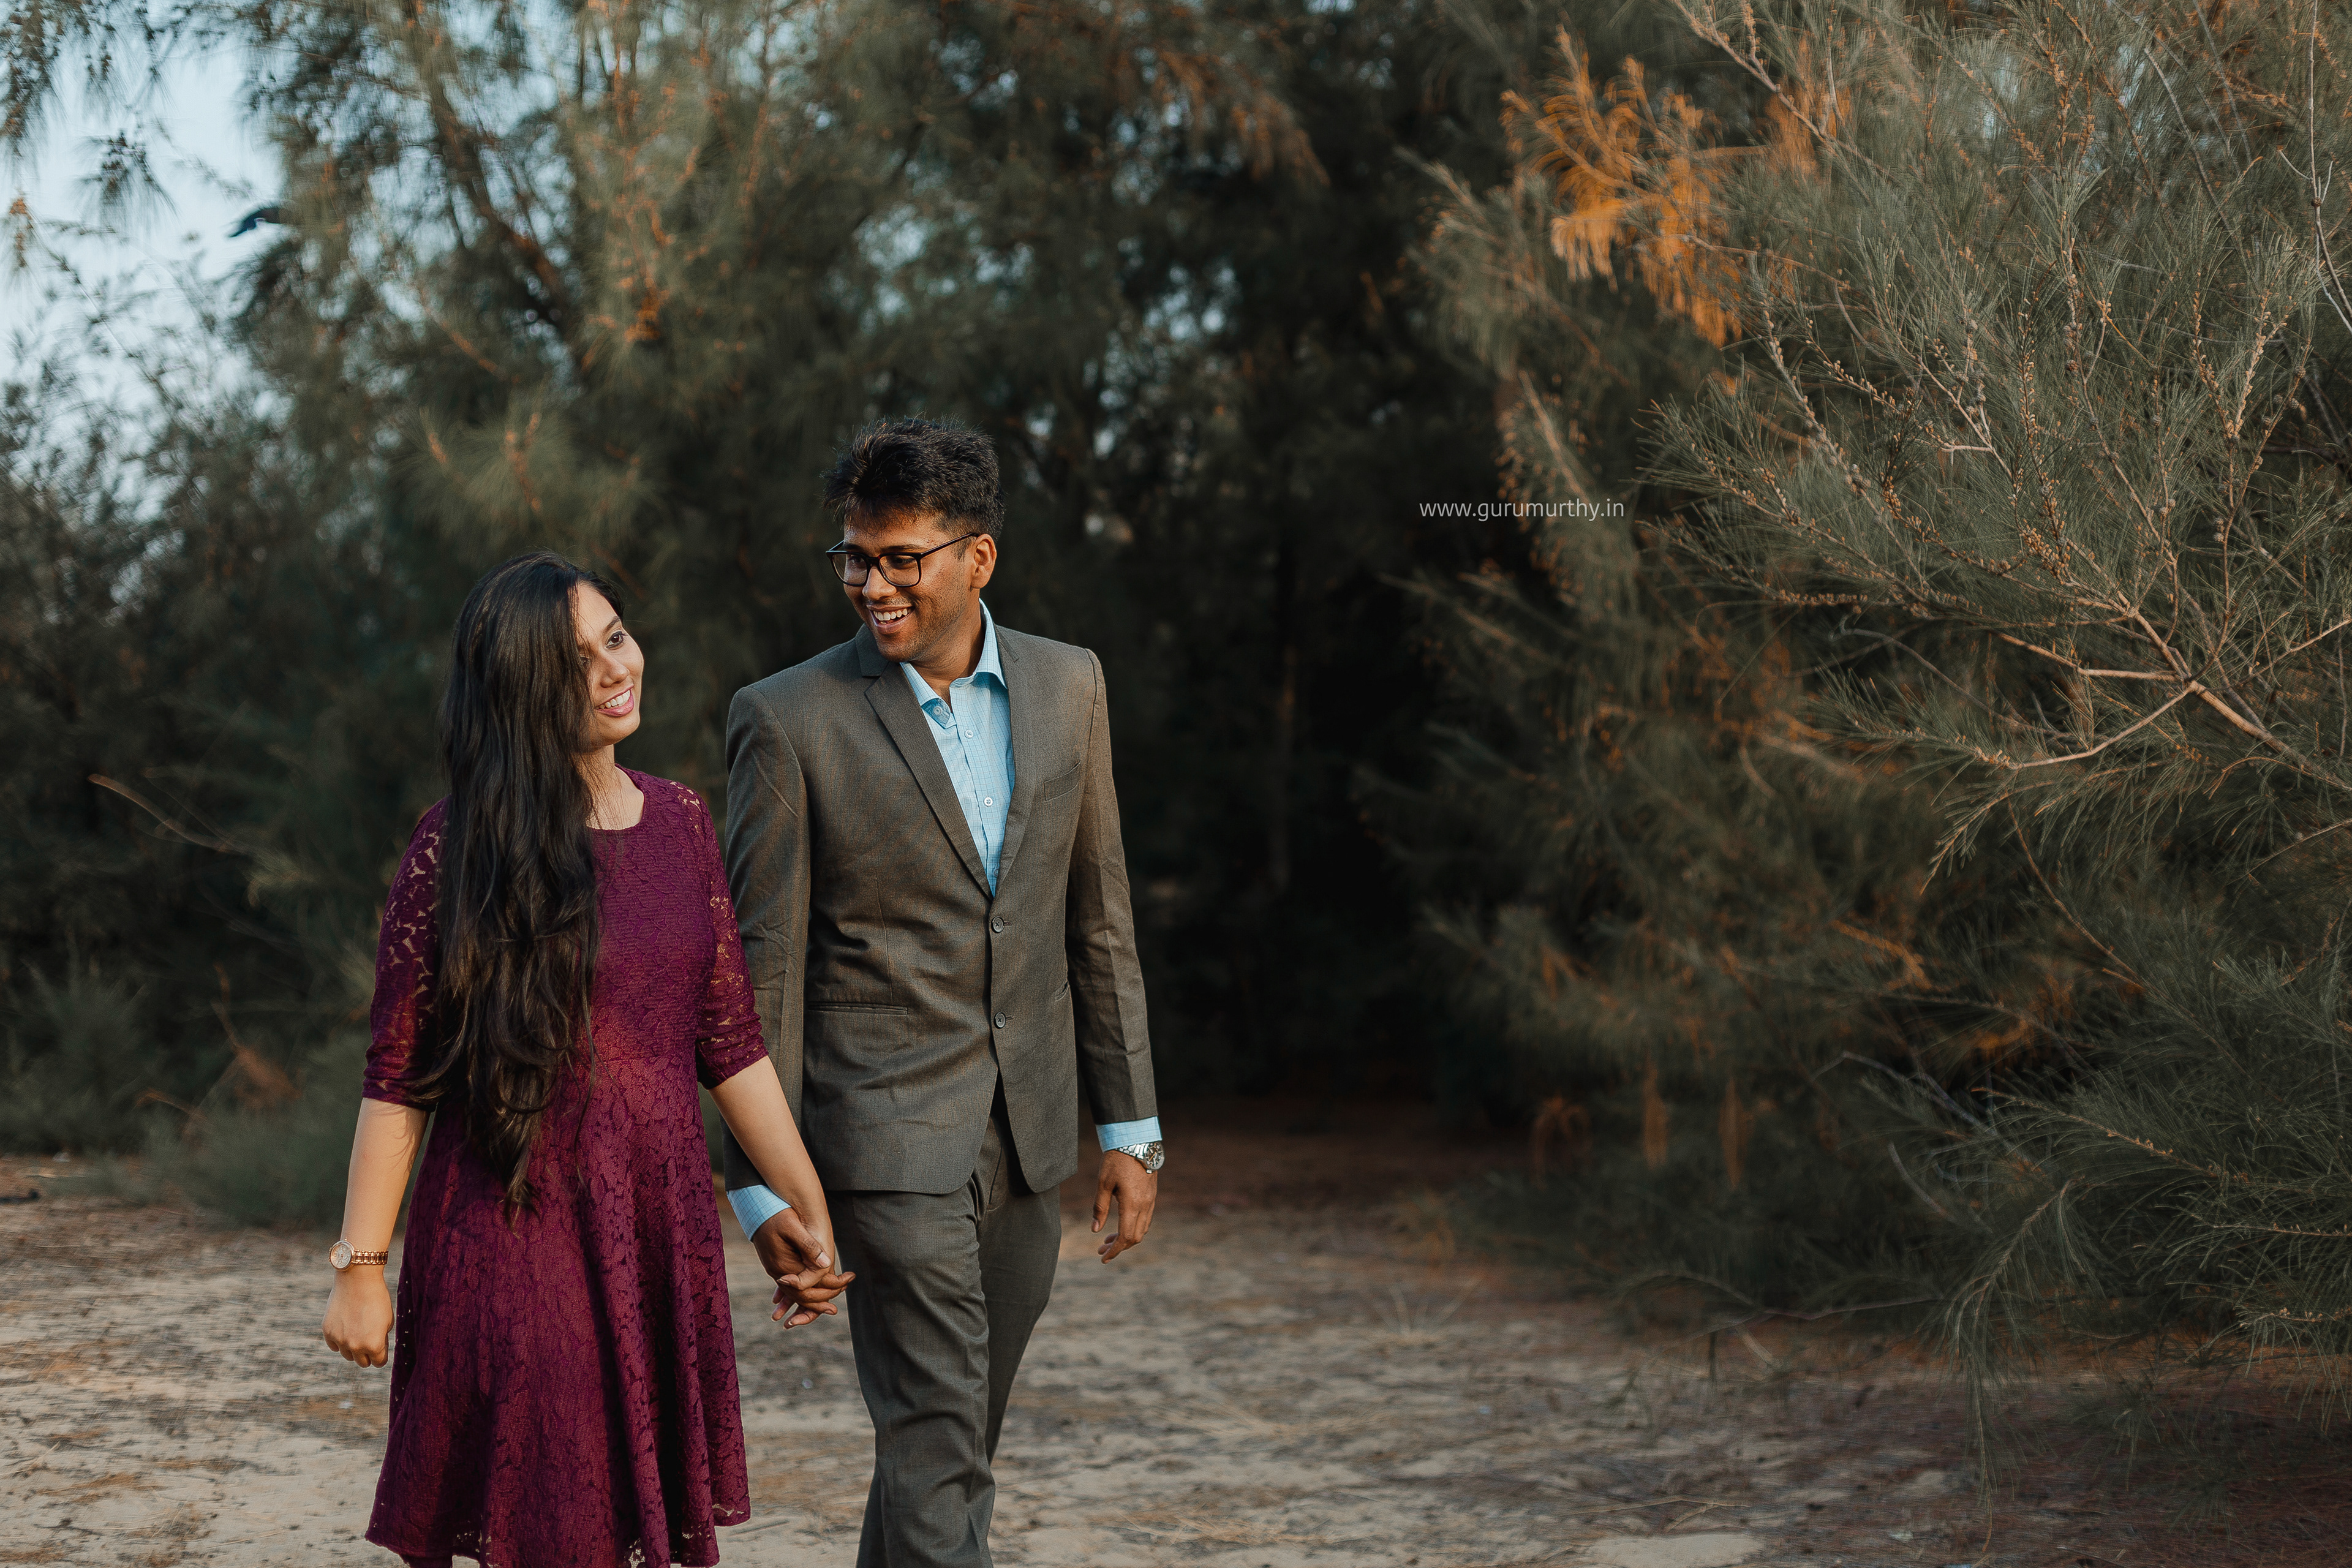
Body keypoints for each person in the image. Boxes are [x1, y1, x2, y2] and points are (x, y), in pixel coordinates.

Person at [320, 550, 852, 1568]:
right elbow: (398, 1077)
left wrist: (803, 1202)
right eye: (574, 662)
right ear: (520, 692)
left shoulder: (683, 819)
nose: (614, 669)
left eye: (615, 637)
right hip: (512, 1229)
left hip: (657, 1229)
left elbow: (728, 1042)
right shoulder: (454, 847)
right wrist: (362, 1268)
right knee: (556, 1531)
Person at [718, 418, 1164, 1568]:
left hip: (1031, 1136)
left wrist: (1130, 1130)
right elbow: (759, 977)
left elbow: (1098, 918)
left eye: (900, 559)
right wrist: (761, 1190)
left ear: (979, 557)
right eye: (855, 558)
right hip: (881, 1144)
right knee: (936, 1440)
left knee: (951, 1449)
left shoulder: (1071, 685)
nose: (871, 585)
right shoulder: (788, 718)